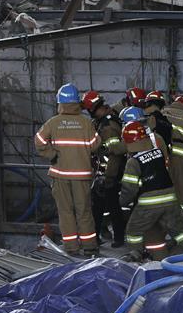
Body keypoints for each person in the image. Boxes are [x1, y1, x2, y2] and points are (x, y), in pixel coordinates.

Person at [35, 84, 101, 256]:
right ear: (77, 102)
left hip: (60, 175)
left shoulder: (53, 123)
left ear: (60, 103)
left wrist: (52, 154)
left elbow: (39, 141)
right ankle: (89, 247)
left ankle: (71, 247)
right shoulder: (86, 123)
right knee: (84, 211)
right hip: (82, 175)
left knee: (65, 212)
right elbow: (96, 144)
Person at [120, 120, 183, 261]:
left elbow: (129, 189)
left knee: (133, 231)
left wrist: (122, 202)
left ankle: (136, 257)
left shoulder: (133, 162)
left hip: (148, 204)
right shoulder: (158, 153)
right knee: (180, 232)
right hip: (170, 198)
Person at [82, 90, 127, 247]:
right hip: (104, 173)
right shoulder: (103, 121)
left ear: (93, 108)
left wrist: (109, 177)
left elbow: (115, 153)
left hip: (110, 173)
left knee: (112, 207)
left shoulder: (108, 126)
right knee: (102, 207)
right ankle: (100, 237)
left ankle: (117, 239)